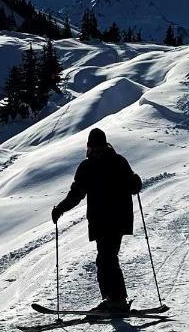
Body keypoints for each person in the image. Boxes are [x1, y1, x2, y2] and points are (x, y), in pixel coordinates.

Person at [51, 127, 142, 313]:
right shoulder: (86, 167)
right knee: (104, 259)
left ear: (105, 145)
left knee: (107, 257)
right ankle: (114, 298)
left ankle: (116, 300)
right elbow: (76, 194)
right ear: (88, 147)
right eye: (93, 148)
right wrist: (60, 208)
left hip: (117, 217)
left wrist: (135, 183)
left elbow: (132, 185)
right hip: (99, 219)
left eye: (99, 148)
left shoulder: (118, 162)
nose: (96, 152)